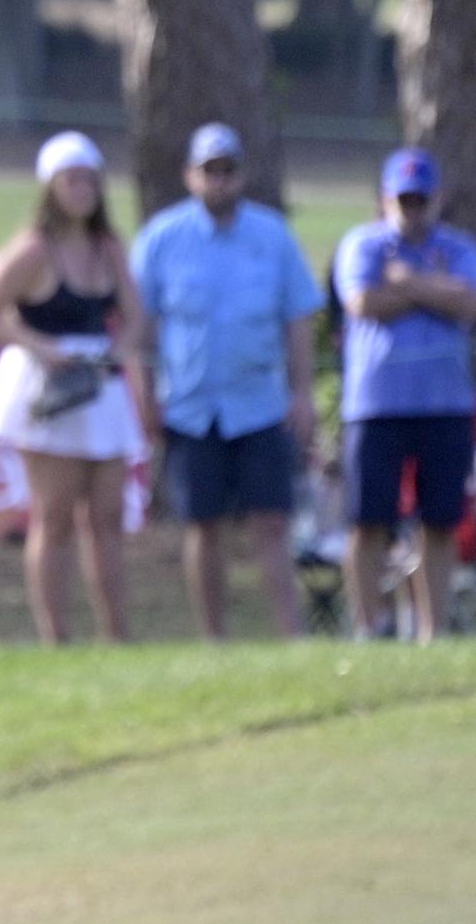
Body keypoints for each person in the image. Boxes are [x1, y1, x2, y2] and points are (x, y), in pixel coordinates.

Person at [128, 124, 321, 641]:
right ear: (192, 176)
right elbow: (138, 327)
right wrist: (144, 392)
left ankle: (291, 635)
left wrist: (302, 393)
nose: (219, 181)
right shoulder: (162, 239)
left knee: (272, 524)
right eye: (209, 171)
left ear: (242, 175)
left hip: (259, 403)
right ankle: (216, 638)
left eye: (227, 170)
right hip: (191, 406)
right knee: (203, 525)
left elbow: (297, 318)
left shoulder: (272, 235)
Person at [0, 132, 146, 645]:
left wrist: (120, 352)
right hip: (50, 390)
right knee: (54, 516)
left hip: (99, 386)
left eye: (90, 180)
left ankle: (116, 634)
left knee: (108, 516)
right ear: (51, 187)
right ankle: (57, 637)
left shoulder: (109, 248)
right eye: (72, 180)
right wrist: (38, 346)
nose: (82, 190)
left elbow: (137, 316)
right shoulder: (34, 250)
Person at [332, 147, 474, 641]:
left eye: (421, 201)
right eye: (403, 201)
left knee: (439, 522)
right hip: (376, 404)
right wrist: (436, 291)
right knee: (368, 521)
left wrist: (407, 282)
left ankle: (432, 630)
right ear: (386, 200)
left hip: (446, 404)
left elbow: (469, 304)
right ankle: (371, 626)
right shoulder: (363, 245)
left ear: (436, 201)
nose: (412, 211)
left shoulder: (459, 247)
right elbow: (364, 302)